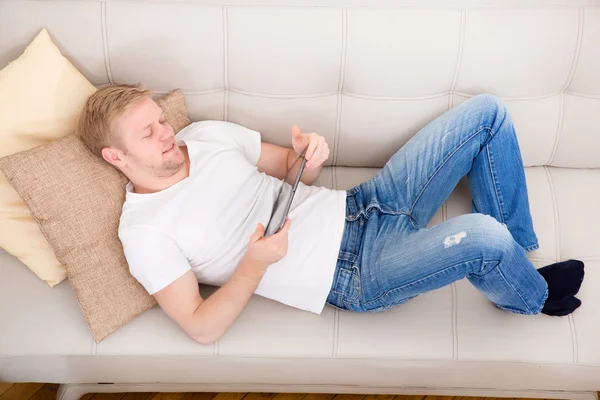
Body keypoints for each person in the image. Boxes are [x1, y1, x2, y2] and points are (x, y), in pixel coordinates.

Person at [78, 84, 585, 345]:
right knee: (484, 238)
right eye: (148, 133)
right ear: (115, 157)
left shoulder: (204, 136)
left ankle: (516, 254)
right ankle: (528, 296)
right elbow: (200, 326)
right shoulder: (143, 231)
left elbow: (290, 165)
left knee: (488, 112)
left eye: (161, 120)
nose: (168, 133)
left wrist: (309, 155)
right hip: (354, 274)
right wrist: (254, 264)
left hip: (364, 204)